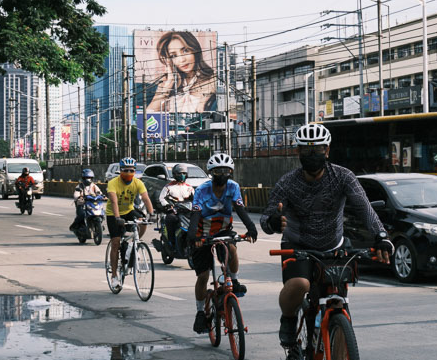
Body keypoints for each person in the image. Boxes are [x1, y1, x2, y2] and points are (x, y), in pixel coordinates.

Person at [261, 123, 393, 347]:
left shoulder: (343, 177)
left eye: (318, 149)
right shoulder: (288, 182)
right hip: (298, 246)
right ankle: (288, 319)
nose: (313, 155)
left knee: (339, 304)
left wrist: (381, 236)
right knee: (301, 284)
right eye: (307, 150)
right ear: (298, 152)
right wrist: (273, 222)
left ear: (328, 150)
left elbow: (365, 209)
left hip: (334, 247)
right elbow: (266, 219)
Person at [187, 154, 257, 333]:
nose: (222, 175)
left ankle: (234, 280)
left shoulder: (233, 187)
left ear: (231, 172)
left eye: (226, 171)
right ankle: (200, 312)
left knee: (232, 249)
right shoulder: (202, 190)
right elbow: (195, 214)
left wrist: (251, 228)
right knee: (203, 276)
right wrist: (193, 237)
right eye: (218, 171)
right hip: (202, 233)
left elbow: (240, 209)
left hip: (223, 230)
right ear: (211, 173)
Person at [106, 157, 155, 287]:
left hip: (129, 211)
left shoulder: (138, 183)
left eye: (131, 170)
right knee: (116, 243)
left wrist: (151, 213)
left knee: (143, 222)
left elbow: (145, 198)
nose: (128, 173)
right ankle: (114, 276)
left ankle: (135, 244)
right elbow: (114, 201)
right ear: (120, 171)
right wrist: (117, 218)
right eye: (125, 170)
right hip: (113, 214)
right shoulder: (113, 183)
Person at [145, 31, 217, 114]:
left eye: (185, 51)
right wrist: (170, 82)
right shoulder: (165, 82)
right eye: (173, 56)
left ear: (195, 50)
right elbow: (148, 116)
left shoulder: (212, 78)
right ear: (169, 60)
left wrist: (205, 98)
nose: (182, 60)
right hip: (169, 126)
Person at [155, 163, 195, 256]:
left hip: (187, 211)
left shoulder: (189, 187)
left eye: (184, 173)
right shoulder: (168, 187)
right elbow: (161, 198)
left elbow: (195, 199)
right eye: (179, 173)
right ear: (174, 174)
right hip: (174, 211)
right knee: (171, 219)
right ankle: (171, 242)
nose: (182, 175)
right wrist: (168, 206)